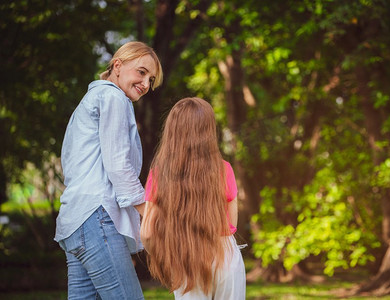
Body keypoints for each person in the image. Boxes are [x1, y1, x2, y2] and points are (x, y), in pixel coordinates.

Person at [54, 41, 163, 300]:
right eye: (141, 72)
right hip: (95, 218)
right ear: (117, 65)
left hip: (74, 221)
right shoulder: (113, 97)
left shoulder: (92, 99)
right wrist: (146, 209)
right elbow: (118, 164)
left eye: (151, 79)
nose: (146, 83)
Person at [140, 97, 246, 299]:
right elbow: (232, 224)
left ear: (172, 131)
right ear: (208, 131)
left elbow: (147, 233)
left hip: (186, 256)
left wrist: (163, 257)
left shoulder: (159, 174)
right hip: (226, 256)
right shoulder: (224, 169)